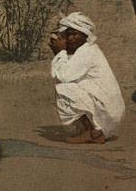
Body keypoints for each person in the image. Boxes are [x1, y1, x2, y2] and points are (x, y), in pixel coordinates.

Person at [49, 11, 125, 144]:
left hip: (108, 109)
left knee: (64, 90)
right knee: (70, 88)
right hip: (108, 109)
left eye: (75, 34)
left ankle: (94, 133)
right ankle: (93, 131)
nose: (71, 38)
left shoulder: (87, 51)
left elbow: (64, 76)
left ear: (85, 35)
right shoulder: (85, 50)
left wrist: (59, 53)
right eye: (68, 35)